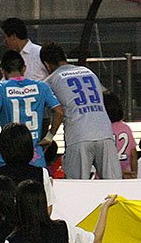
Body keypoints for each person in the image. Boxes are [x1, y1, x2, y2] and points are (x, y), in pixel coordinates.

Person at [39, 43, 121, 180]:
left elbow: (58, 112)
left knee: (77, 185)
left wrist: (49, 136)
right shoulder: (88, 72)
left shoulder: (51, 81)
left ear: (47, 65)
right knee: (113, 185)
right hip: (105, 133)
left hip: (78, 136)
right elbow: (106, 95)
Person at [0, 50, 62, 167]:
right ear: (24, 68)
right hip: (34, 156)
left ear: (3, 71)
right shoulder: (41, 87)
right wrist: (49, 136)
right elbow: (59, 111)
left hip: (8, 155)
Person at [0, 123, 55, 217]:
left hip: (3, 226)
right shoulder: (42, 173)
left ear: (3, 148)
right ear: (29, 146)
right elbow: (47, 212)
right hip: (33, 226)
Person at [104, 92, 137, 179]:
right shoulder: (126, 128)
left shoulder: (102, 129)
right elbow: (133, 154)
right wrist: (134, 173)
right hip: (126, 173)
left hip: (107, 174)